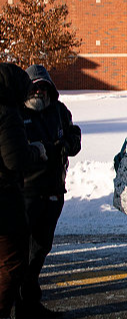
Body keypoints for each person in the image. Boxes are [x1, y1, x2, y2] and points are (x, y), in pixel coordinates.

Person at [16, 65, 81, 318]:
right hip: (27, 192)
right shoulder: (18, 114)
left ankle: (30, 303)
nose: (40, 92)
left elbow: (74, 135)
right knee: (24, 252)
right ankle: (22, 305)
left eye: (44, 87)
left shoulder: (60, 111)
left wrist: (68, 143)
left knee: (41, 248)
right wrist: (42, 149)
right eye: (35, 87)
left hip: (54, 191)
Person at [0, 64, 45, 319]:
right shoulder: (7, 114)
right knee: (12, 263)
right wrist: (35, 151)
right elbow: (15, 159)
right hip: (5, 201)